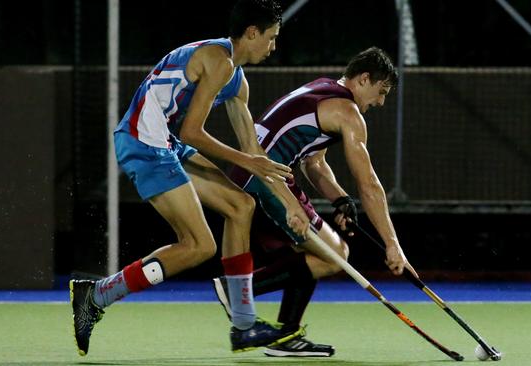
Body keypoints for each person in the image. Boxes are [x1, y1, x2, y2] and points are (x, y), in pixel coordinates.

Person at [69, 0, 310, 356]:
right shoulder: (218, 60)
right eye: (271, 38)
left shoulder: (237, 81)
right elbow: (194, 131)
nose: (273, 46)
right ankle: (97, 295)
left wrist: (293, 206)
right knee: (199, 245)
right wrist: (247, 160)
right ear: (252, 33)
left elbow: (254, 154)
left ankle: (244, 327)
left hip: (165, 143)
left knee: (242, 205)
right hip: (143, 142)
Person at [213, 47, 409, 357]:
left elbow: (314, 163)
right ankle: (237, 291)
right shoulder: (347, 112)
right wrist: (392, 243)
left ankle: (286, 336)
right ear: (364, 78)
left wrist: (340, 199)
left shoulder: (322, 89)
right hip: (266, 179)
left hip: (255, 174)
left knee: (315, 254)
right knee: (334, 255)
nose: (381, 102)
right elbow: (369, 184)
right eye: (381, 91)